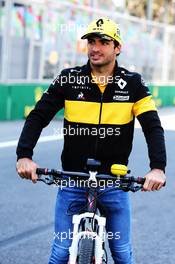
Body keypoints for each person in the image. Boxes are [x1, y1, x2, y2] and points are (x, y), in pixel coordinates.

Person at [16, 18, 166, 264]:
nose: (95, 48)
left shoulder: (133, 83)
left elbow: (152, 127)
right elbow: (38, 116)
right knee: (60, 253)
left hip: (115, 182)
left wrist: (158, 168)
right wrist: (24, 155)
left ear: (117, 47)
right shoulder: (69, 79)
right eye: (91, 42)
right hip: (72, 179)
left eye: (103, 42)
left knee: (122, 254)